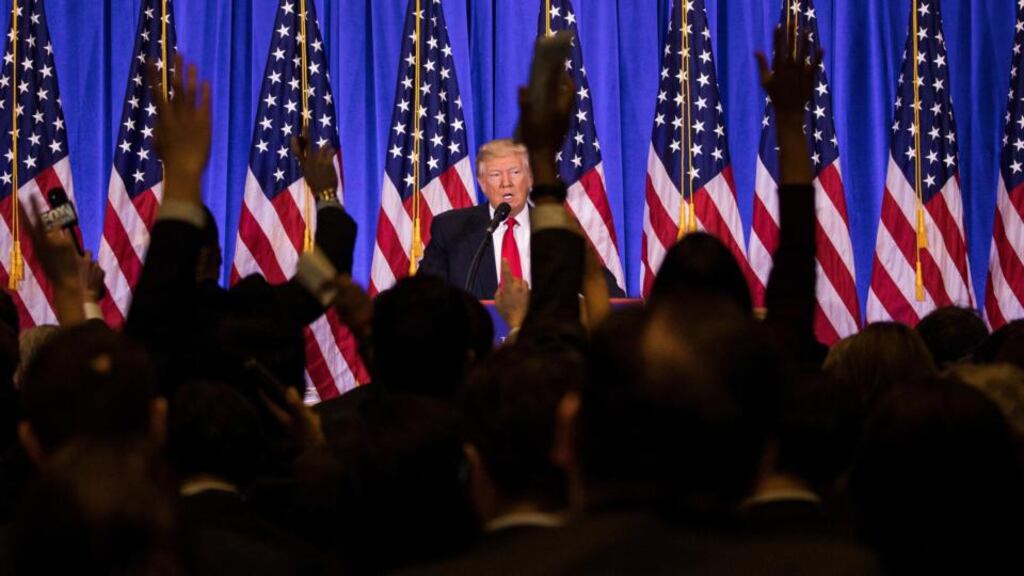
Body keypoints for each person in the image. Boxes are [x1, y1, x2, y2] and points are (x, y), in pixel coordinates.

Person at [419, 139, 624, 300]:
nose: (506, 183)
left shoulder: (558, 229)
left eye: (515, 172)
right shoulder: (451, 229)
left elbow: (609, 295)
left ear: (530, 178)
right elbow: (425, 298)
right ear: (482, 183)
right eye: (495, 175)